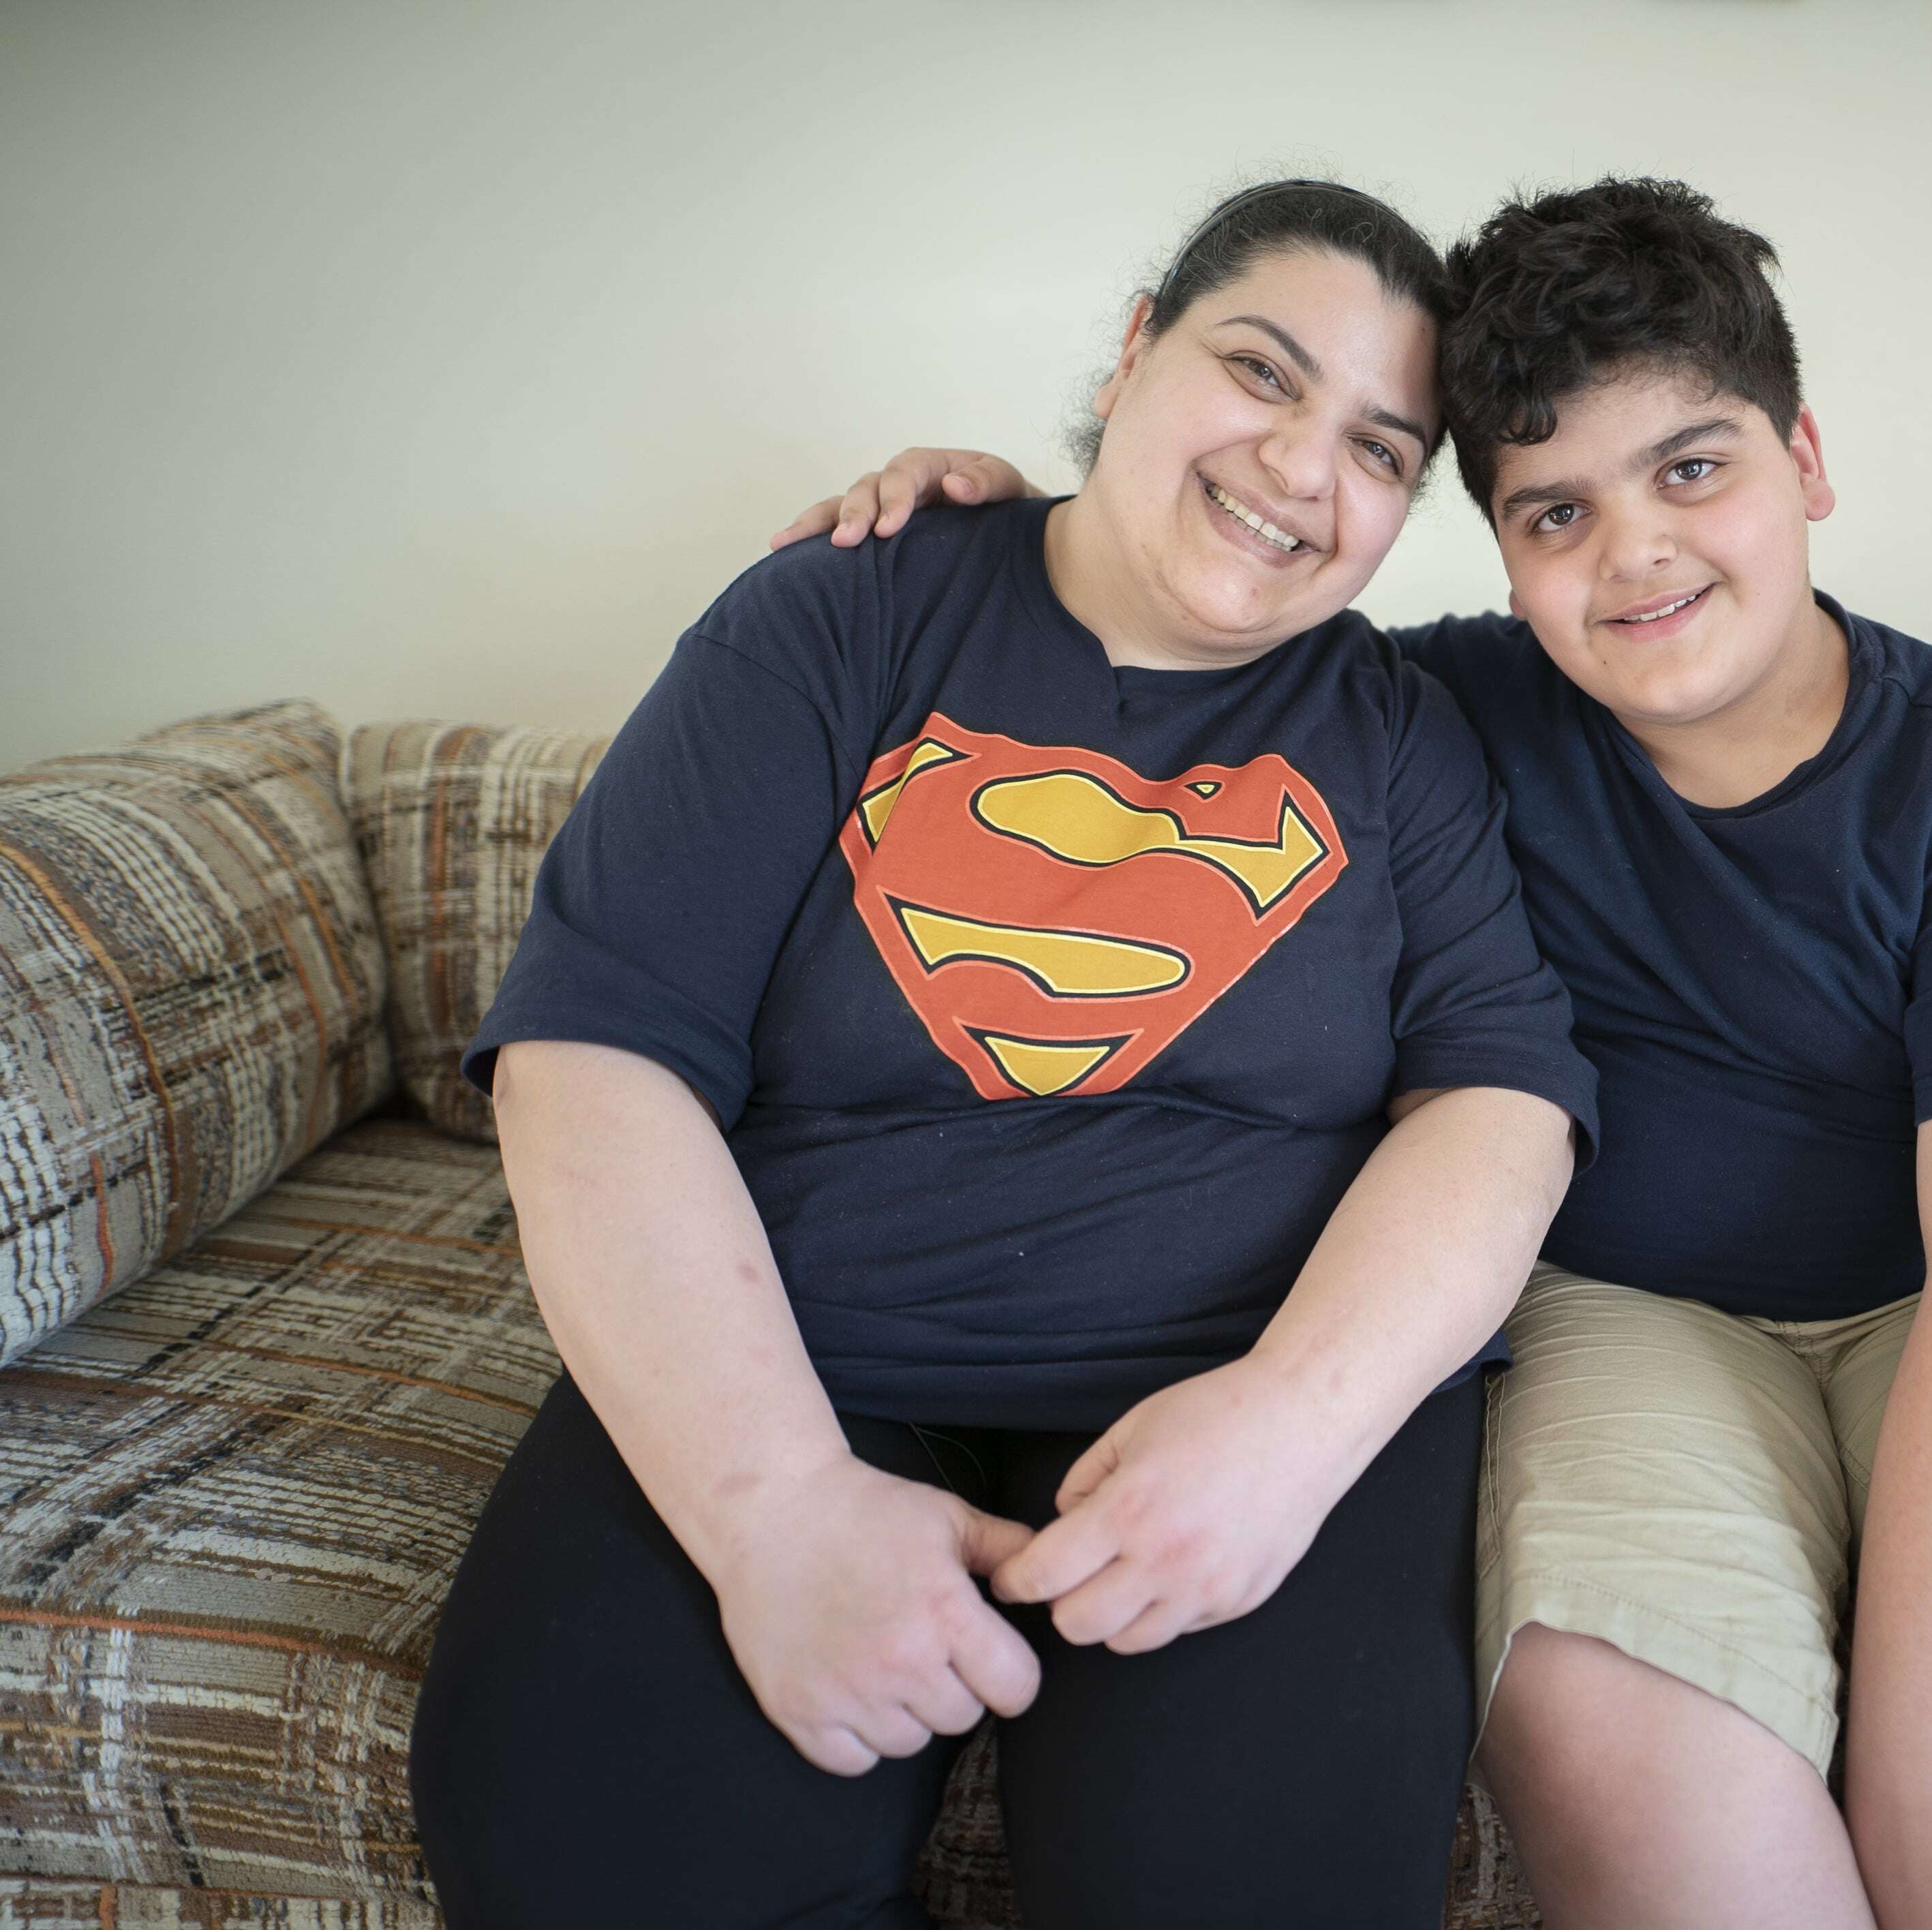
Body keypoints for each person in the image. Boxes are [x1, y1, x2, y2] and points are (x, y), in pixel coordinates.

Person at [787, 179, 1932, 1930]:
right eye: (1555, 511)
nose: (1632, 551)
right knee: (1612, 1727)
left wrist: (1926, 1799)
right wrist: (996, 522)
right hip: (1622, 1308)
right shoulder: (1438, 714)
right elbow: (1181, 627)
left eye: (1692, 469)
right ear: (1496, 544)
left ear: (1806, 458)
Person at [408, 179, 1599, 1930]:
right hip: (807, 1352)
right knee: (597, 1858)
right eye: (1257, 372)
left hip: (1232, 1366)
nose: (1294, 465)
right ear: (1132, 351)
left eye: (1375, 447)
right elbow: (594, 1055)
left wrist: (1291, 1425)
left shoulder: (1400, 733)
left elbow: (1500, 1101)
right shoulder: (837, 615)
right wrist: (778, 1511)